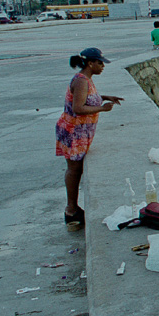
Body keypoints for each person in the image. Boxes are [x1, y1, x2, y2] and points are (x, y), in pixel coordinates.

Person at [54, 48, 123, 230]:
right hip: (74, 131)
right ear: (90, 63)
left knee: (77, 170)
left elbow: (88, 99)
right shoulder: (81, 81)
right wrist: (103, 108)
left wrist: (105, 97)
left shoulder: (87, 79)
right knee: (74, 170)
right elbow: (78, 108)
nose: (102, 66)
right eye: (100, 63)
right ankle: (71, 210)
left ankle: (73, 207)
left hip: (81, 132)